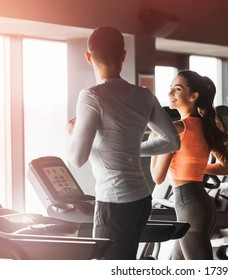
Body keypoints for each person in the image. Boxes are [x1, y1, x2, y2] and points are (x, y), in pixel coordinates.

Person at [66, 26, 180, 260]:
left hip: (114, 203)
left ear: (88, 57)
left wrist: (73, 131)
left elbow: (77, 159)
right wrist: (131, 150)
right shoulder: (144, 95)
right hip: (141, 199)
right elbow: (172, 141)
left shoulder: (91, 95)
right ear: (123, 55)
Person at [150, 70, 228, 260]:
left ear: (193, 96)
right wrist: (195, 167)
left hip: (189, 207)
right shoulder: (206, 126)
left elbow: (157, 177)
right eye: (170, 88)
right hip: (203, 205)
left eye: (177, 89)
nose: (170, 94)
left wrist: (154, 137)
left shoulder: (175, 129)